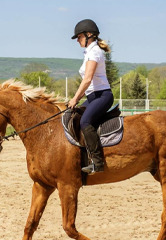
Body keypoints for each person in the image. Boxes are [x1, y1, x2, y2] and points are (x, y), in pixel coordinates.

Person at [67, 19, 114, 174]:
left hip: (102, 96)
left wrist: (75, 98)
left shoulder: (94, 52)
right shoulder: (88, 52)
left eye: (79, 37)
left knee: (86, 122)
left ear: (89, 35)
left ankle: (97, 162)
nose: (78, 40)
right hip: (93, 96)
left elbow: (87, 79)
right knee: (72, 116)